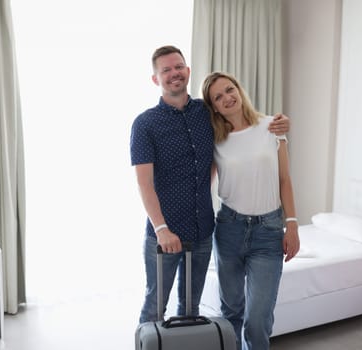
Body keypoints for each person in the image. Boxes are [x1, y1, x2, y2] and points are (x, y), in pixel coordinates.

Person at [130, 45, 290, 324]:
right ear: (156, 79)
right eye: (165, 70)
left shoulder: (207, 113)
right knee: (155, 306)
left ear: (187, 71)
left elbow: (243, 129)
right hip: (164, 234)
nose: (174, 73)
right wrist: (161, 229)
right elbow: (144, 184)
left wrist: (279, 124)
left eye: (178, 67)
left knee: (191, 309)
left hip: (204, 231)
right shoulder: (145, 124)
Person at [201, 71, 300, 350]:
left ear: (239, 90)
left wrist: (291, 225)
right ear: (215, 107)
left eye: (229, 90)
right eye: (218, 97)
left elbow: (285, 180)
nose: (227, 98)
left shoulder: (272, 127)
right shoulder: (214, 139)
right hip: (229, 229)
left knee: (258, 320)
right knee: (231, 312)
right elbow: (203, 184)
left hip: (268, 232)